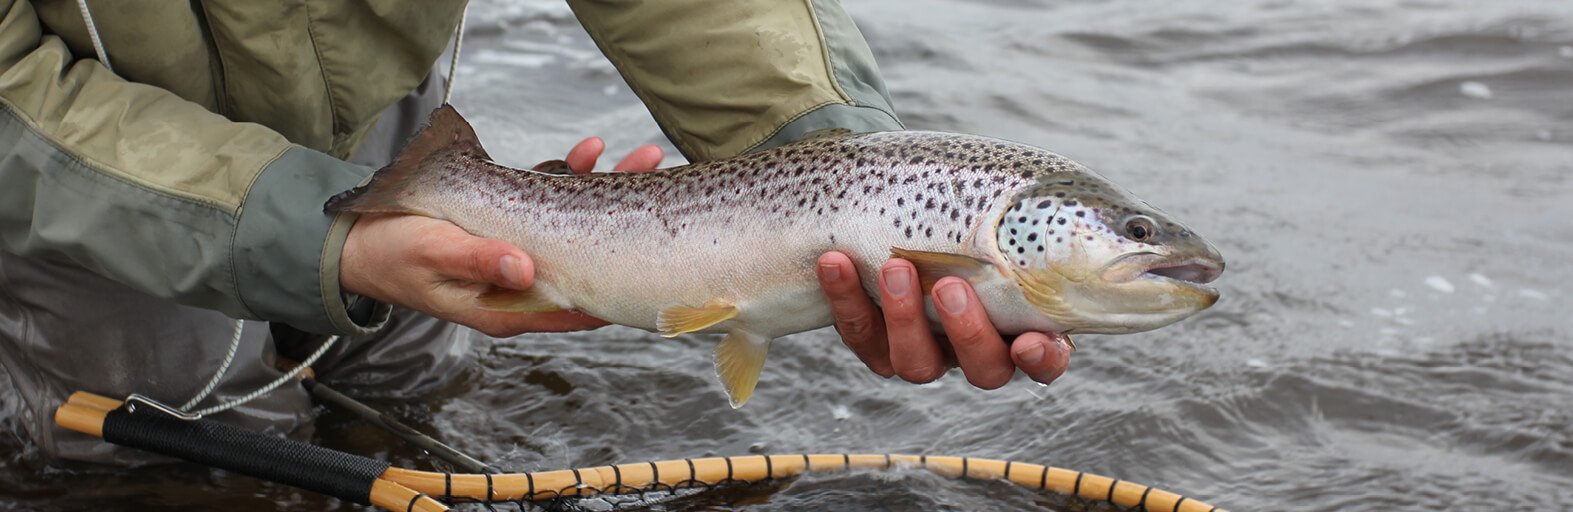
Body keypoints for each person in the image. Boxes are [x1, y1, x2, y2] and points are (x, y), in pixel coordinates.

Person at [0, 0, 1071, 464]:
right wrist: (322, 245)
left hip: (374, 97)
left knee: (417, 387)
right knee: (164, 437)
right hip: (70, 140)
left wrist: (834, 153)